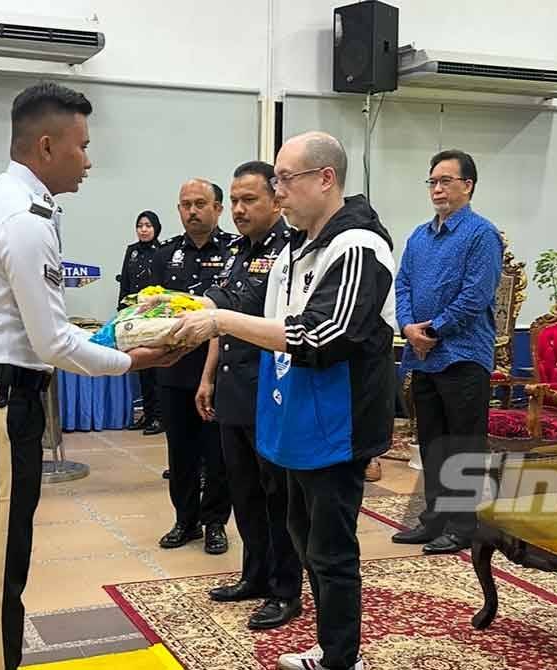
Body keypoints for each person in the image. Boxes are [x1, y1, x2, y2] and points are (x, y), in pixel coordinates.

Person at [0, 82, 182, 670]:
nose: (90, 161)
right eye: (83, 146)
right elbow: (53, 342)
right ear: (46, 147)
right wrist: (136, 360)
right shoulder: (24, 218)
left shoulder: (10, 204)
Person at [171, 132, 396, 670]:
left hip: (337, 424)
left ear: (325, 179)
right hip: (293, 414)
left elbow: (325, 335)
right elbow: (253, 304)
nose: (278, 192)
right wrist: (185, 309)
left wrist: (221, 321)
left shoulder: (359, 245)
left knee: (332, 549)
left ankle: (343, 658)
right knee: (299, 533)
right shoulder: (296, 245)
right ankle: (326, 644)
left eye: (284, 181)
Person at [199, 161, 303, 630]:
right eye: (235, 201)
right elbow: (220, 315)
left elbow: (257, 313)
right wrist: (208, 378)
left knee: (277, 495)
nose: (238, 210)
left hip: (273, 389)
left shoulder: (291, 250)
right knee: (243, 490)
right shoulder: (236, 249)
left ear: (276, 200)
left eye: (249, 200)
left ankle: (285, 589)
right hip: (235, 387)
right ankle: (254, 575)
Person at [392, 150, 502, 555]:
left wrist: (434, 329)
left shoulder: (480, 234)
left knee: (463, 445)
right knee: (432, 442)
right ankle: (434, 518)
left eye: (446, 181)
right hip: (423, 355)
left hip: (463, 354)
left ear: (467, 185)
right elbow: (402, 285)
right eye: (432, 182)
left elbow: (476, 295)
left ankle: (463, 524)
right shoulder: (419, 236)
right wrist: (408, 328)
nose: (437, 189)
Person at [149, 178, 237, 555]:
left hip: (219, 371)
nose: (192, 211)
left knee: (217, 453)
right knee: (180, 452)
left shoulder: (235, 251)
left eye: (201, 203)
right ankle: (185, 519)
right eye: (185, 204)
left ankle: (214, 522)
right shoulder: (165, 254)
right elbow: (149, 309)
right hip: (173, 369)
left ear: (218, 208)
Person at [117, 210, 164, 436]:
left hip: (154, 316)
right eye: (140, 225)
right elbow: (125, 283)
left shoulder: (162, 251)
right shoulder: (132, 252)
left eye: (148, 225)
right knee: (140, 367)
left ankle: (158, 416)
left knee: (154, 366)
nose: (144, 229)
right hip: (134, 315)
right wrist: (122, 312)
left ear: (156, 228)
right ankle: (147, 413)